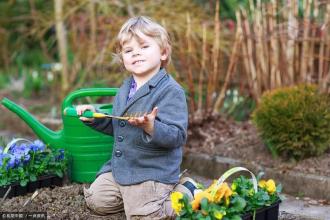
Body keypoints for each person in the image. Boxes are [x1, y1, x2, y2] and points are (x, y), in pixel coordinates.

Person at [76, 16, 198, 219]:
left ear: (163, 52)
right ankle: (136, 199)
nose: (136, 53)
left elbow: (177, 136)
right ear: (122, 58)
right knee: (97, 201)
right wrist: (96, 118)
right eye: (129, 50)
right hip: (122, 168)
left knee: (143, 216)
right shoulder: (125, 88)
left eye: (143, 46)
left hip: (151, 170)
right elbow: (119, 125)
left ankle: (186, 192)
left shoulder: (171, 91)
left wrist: (152, 127)